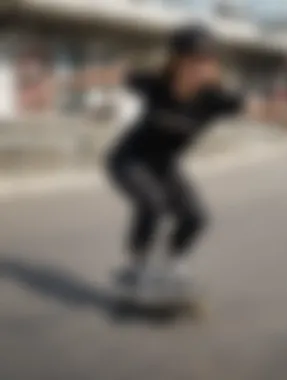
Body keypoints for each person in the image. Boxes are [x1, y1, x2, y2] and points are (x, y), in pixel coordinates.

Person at [106, 24, 256, 291]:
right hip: (128, 159)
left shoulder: (215, 98)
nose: (201, 69)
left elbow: (265, 109)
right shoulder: (155, 84)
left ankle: (172, 264)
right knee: (154, 204)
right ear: (176, 62)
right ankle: (137, 266)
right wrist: (55, 82)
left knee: (195, 217)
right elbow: (112, 75)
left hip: (163, 166)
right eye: (194, 62)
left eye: (208, 63)